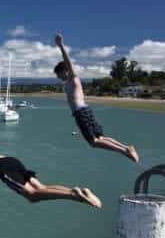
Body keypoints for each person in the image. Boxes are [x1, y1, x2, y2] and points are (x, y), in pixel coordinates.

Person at [54, 33, 140, 163]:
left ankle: (124, 151)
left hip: (81, 113)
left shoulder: (73, 77)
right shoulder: (69, 82)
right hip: (85, 111)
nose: (58, 77)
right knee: (100, 137)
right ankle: (126, 147)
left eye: (58, 74)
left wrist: (61, 46)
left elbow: (68, 62)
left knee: (94, 142)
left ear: (65, 71)